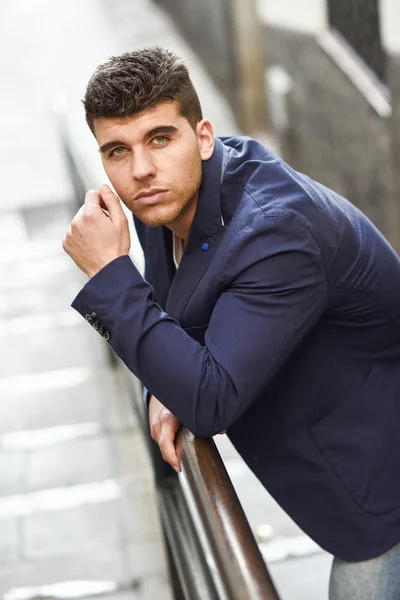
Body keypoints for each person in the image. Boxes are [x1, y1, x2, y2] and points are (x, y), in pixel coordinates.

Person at [63, 46, 400, 599]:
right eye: (117, 151)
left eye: (160, 138)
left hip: (382, 479)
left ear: (202, 136)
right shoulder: (164, 200)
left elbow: (209, 400)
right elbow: (173, 319)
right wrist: (160, 385)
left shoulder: (277, 233)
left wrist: (108, 273)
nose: (141, 169)